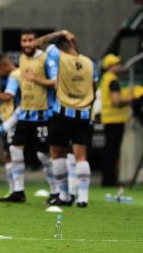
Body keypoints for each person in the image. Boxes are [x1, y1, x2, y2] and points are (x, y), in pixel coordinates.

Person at [0, 30, 58, 203]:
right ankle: (18, 191)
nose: (27, 44)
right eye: (24, 41)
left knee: (44, 155)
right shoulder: (22, 59)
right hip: (25, 115)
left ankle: (55, 192)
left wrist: (36, 80)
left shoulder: (46, 58)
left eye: (30, 40)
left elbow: (55, 82)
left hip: (43, 115)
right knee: (15, 149)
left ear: (35, 41)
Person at [37, 30, 98, 208]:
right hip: (84, 114)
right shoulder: (89, 62)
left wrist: (62, 32)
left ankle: (64, 195)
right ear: (73, 44)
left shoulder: (60, 57)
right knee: (81, 156)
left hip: (63, 113)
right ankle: (83, 198)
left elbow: (40, 42)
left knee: (56, 153)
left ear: (61, 47)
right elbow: (94, 89)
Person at [100, 54, 133, 186]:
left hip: (109, 119)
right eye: (117, 64)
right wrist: (132, 99)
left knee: (110, 149)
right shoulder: (113, 81)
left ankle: (107, 178)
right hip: (115, 119)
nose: (119, 66)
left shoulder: (105, 79)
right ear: (110, 66)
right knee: (112, 150)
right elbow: (117, 101)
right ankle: (109, 180)